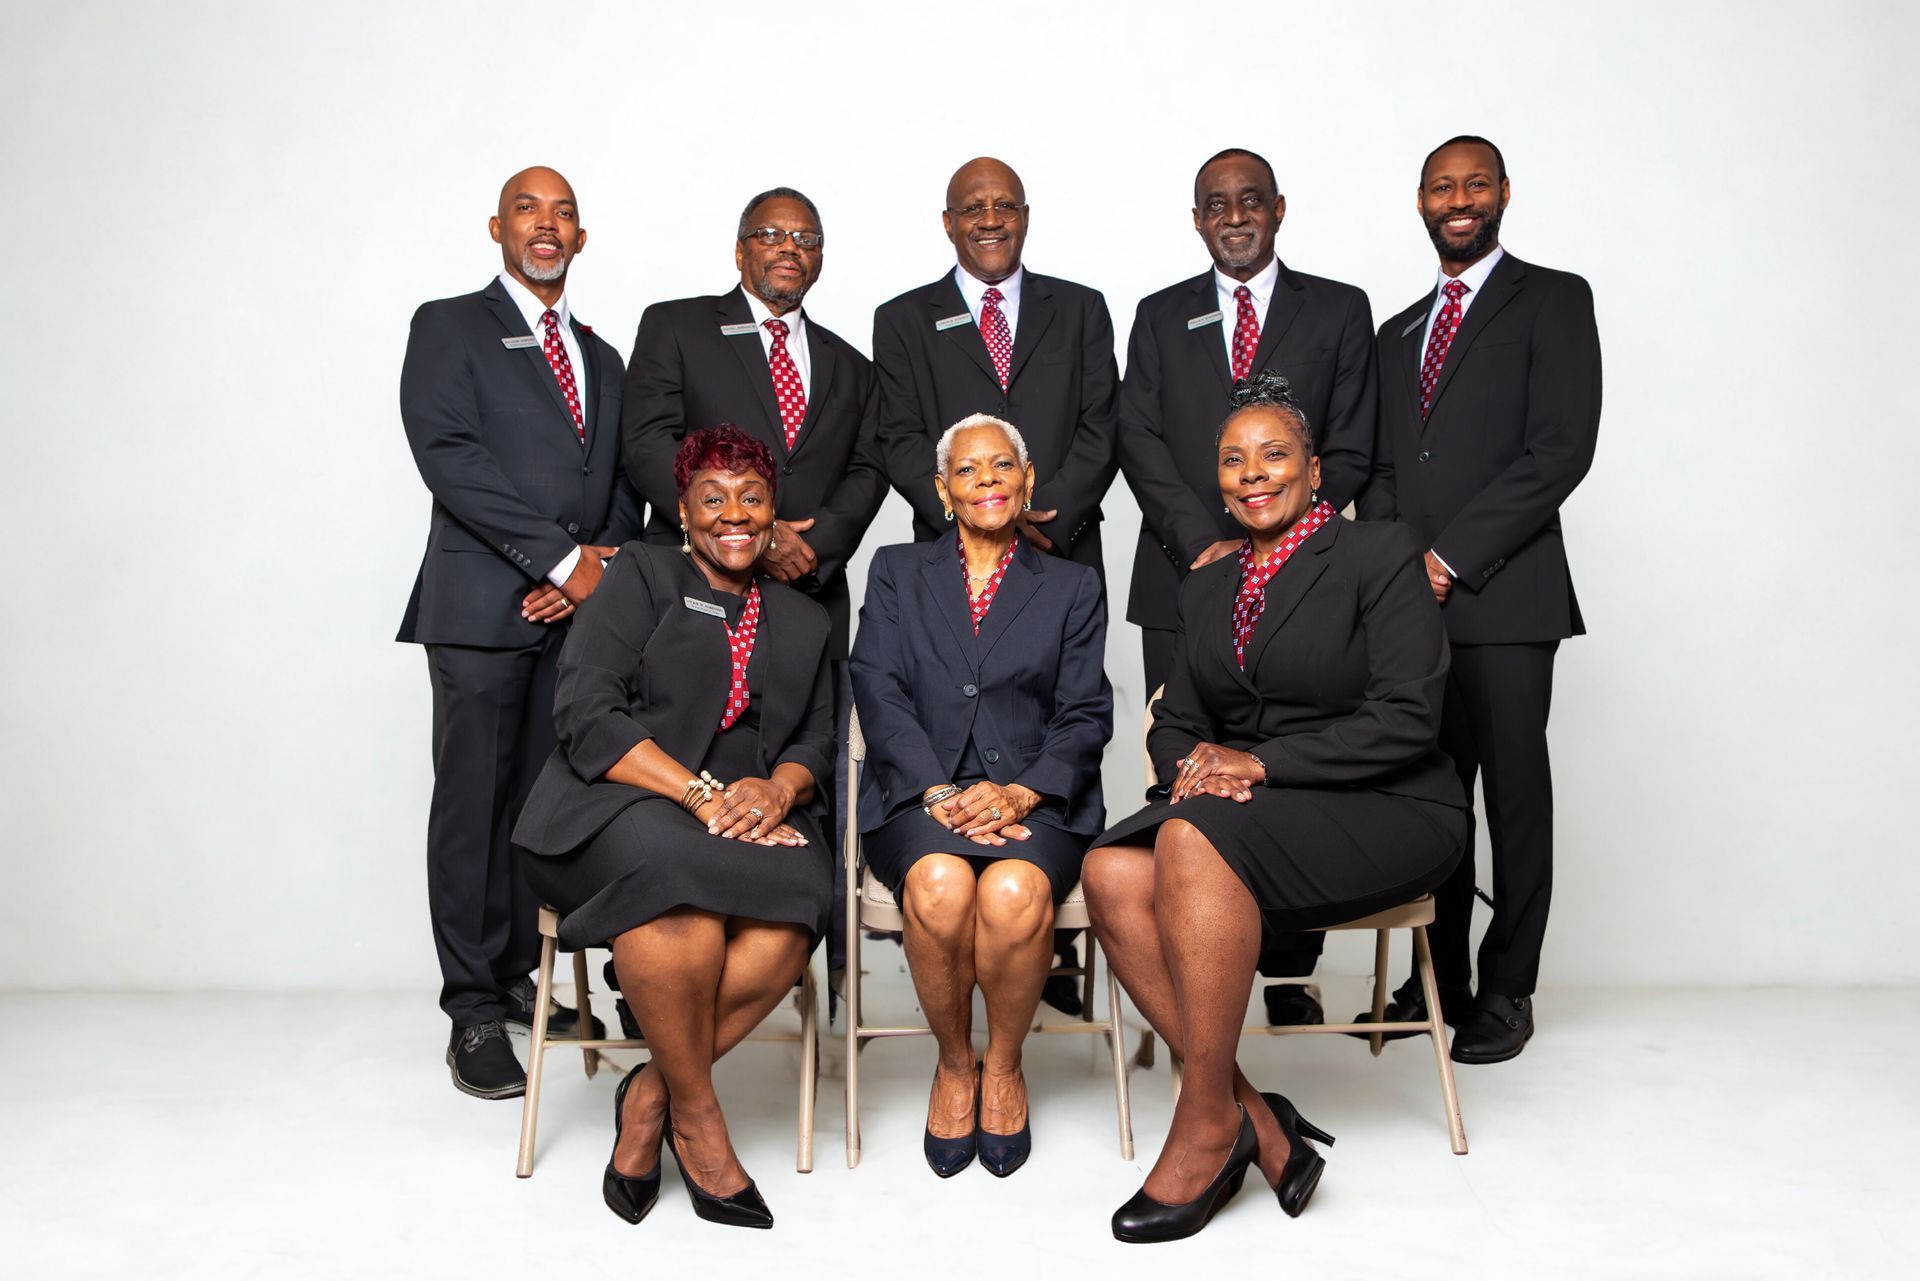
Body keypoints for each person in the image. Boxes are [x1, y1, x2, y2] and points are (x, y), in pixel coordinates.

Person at [1083, 373, 1468, 1242]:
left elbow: (1409, 717)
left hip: (1386, 803)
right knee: (1107, 865)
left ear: (1315, 470)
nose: (1253, 473)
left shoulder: (1380, 555)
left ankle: (1198, 1127)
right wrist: (1198, 764)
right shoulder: (1207, 586)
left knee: (1184, 837)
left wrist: (1253, 763)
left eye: (1274, 454)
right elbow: (1179, 718)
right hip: (1252, 809)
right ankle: (1246, 1114)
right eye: (1233, 458)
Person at [513, 426, 834, 1229]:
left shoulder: (805, 618)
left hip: (749, 818)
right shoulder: (642, 576)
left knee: (800, 897)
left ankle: (652, 1091)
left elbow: (817, 741)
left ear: (775, 514)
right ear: (683, 514)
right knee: (672, 886)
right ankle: (701, 1122)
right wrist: (698, 795)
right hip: (619, 803)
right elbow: (586, 713)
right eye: (712, 499)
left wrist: (775, 789)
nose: (735, 514)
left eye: (752, 498)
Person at [1117, 146, 1378, 1029]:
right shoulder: (1159, 316)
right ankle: (1193, 954)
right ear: (1197, 219)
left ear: (1278, 209)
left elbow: (1349, 442)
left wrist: (1287, 542)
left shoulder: (1339, 310)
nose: (1234, 215)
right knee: (1187, 747)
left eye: (1250, 200)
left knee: (1292, 741)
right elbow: (1138, 438)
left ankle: (1288, 964)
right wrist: (1208, 545)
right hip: (1185, 573)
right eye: (1216, 204)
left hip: (1309, 577)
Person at [1354, 135, 1601, 1063]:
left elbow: (1558, 451)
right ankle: (1438, 977)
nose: (1458, 200)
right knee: (1430, 794)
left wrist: (1449, 558)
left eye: (1475, 184)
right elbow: (1378, 471)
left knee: (1513, 795)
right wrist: (1393, 569)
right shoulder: (1396, 332)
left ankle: (1507, 988)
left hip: (1505, 598)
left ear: (1503, 193)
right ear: (1420, 202)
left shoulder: (1554, 300)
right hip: (1410, 609)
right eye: (1441, 187)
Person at [397, 165, 641, 1100]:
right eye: (530, 211)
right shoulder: (448, 326)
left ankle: (512, 978)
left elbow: (622, 480)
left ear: (582, 239)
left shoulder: (605, 358)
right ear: (496, 227)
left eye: (565, 213)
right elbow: (446, 454)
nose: (548, 226)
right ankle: (471, 1008)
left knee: (541, 807)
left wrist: (597, 569)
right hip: (480, 610)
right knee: (472, 803)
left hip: (576, 615)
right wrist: (554, 559)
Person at [872, 156, 1120, 1002]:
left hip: (1061, 550)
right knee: (941, 718)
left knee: (1051, 713)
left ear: (1025, 215)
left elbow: (1102, 422)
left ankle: (1038, 959)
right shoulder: (904, 318)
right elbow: (899, 435)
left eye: (1003, 205)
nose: (988, 218)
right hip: (951, 570)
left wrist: (1044, 511)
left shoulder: (1080, 310)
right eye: (971, 207)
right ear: (947, 220)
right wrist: (971, 512)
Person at [848, 414, 1111, 1179]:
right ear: (942, 490)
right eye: (968, 470)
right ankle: (955, 1063)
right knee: (937, 883)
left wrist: (1024, 791)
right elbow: (878, 686)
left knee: (1011, 892)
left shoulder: (1073, 584)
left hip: (1038, 799)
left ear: (1028, 482)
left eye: (1003, 466)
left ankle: (1003, 1065)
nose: (987, 479)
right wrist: (933, 785)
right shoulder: (896, 572)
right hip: (915, 797)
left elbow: (1087, 710)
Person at [622, 186, 885, 659]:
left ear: (820, 257)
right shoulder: (676, 327)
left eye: (806, 239)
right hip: (691, 586)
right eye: (771, 234)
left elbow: (868, 471)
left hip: (808, 592)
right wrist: (751, 533)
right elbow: (646, 443)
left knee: (810, 733)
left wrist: (808, 552)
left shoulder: (854, 366)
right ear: (739, 250)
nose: (790, 246)